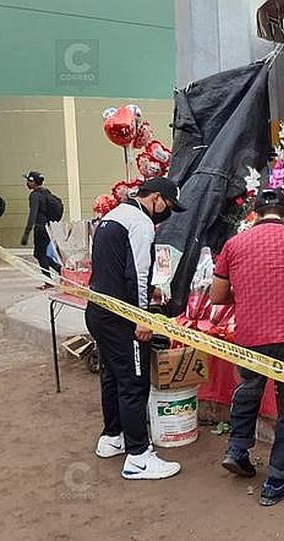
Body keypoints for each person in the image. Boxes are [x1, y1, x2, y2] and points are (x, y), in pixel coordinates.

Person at [210, 188, 284, 507]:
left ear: (255, 214)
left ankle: (237, 449)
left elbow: (217, 296)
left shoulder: (234, 245)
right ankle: (278, 479)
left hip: (250, 336)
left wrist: (245, 296)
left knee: (249, 388)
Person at [87, 177, 186, 480]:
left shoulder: (112, 216)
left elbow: (112, 269)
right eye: (166, 206)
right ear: (154, 197)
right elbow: (139, 274)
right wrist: (142, 318)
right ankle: (139, 456)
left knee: (112, 377)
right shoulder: (140, 223)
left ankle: (112, 437)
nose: (165, 213)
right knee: (134, 381)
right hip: (122, 318)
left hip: (98, 311)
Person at [20, 171, 62, 285]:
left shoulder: (35, 195)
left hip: (40, 228)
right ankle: (60, 272)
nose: (27, 183)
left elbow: (33, 214)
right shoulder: (46, 192)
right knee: (40, 254)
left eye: (29, 181)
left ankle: (50, 280)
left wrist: (26, 233)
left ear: (33, 182)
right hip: (48, 227)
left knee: (40, 254)